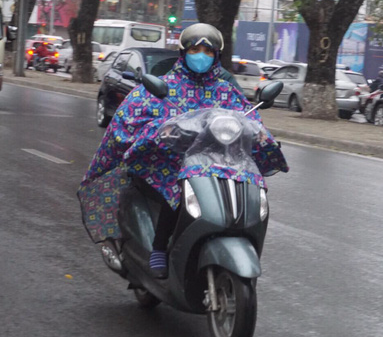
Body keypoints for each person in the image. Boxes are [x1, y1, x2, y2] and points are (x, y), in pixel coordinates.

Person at [77, 23, 289, 278]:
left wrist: (261, 136)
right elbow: (129, 119)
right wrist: (157, 130)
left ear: (217, 57)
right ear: (183, 53)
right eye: (195, 49)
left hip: (221, 163)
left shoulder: (225, 90)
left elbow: (247, 120)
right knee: (179, 187)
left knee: (252, 183)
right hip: (171, 162)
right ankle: (158, 248)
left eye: (208, 52)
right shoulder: (164, 87)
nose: (201, 56)